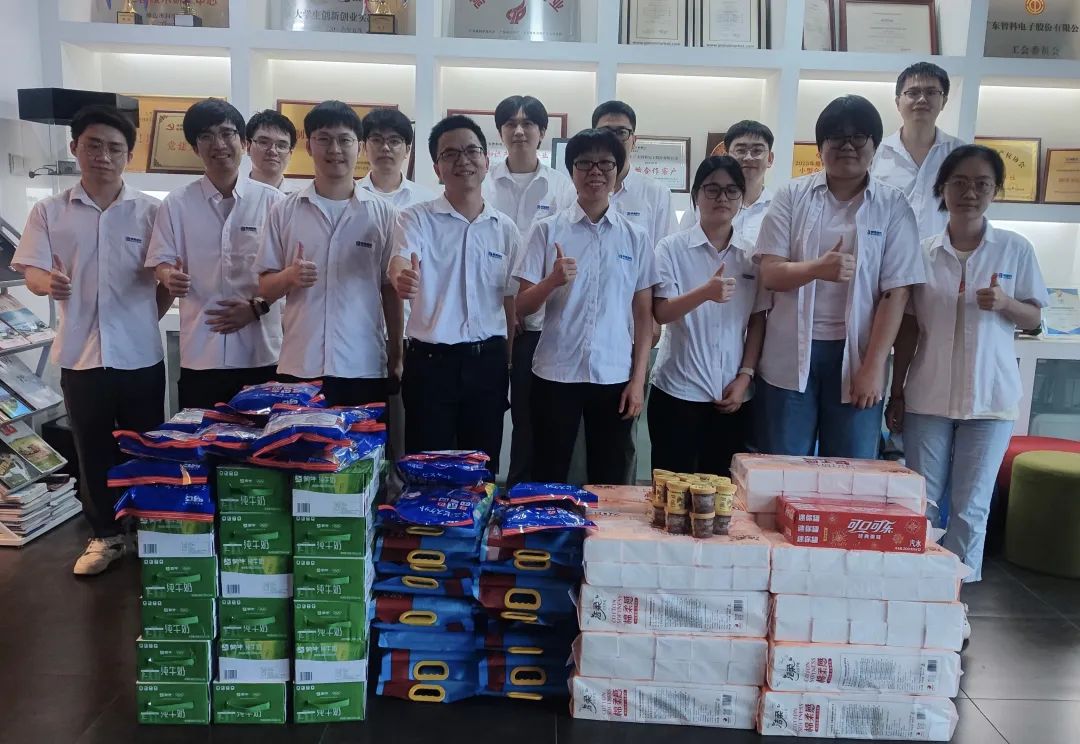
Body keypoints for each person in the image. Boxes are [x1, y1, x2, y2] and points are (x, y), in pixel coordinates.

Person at [14, 105, 170, 575]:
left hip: (140, 356)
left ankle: (148, 530)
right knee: (93, 449)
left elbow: (163, 279)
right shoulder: (50, 211)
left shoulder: (151, 211)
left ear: (128, 155)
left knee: (145, 446)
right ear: (74, 148)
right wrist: (48, 284)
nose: (104, 155)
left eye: (115, 148)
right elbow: (32, 271)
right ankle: (105, 536)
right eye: (94, 145)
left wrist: (145, 319)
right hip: (81, 356)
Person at [887, 145, 1047, 582]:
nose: (970, 193)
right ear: (942, 188)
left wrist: (1007, 303)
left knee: (972, 505)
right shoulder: (923, 252)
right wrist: (896, 391)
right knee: (921, 500)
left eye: (981, 184)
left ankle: (956, 592)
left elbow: (1034, 318)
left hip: (991, 397)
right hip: (928, 395)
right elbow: (908, 328)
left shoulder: (1015, 249)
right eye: (959, 182)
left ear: (995, 190)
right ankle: (916, 584)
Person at [754, 95, 925, 458]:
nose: (848, 146)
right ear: (820, 148)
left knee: (851, 471)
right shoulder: (791, 196)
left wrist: (873, 367)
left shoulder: (893, 205)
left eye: (858, 137)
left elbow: (896, 292)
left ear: (874, 146)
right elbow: (770, 273)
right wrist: (818, 269)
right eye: (836, 137)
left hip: (858, 353)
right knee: (782, 467)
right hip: (789, 355)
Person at [514, 128, 657, 484]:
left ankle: (601, 526)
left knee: (610, 476)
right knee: (548, 472)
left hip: (614, 374)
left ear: (618, 171)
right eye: (585, 163)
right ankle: (548, 522)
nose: (596, 171)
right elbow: (521, 307)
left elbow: (644, 317)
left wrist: (638, 380)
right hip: (555, 371)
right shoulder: (546, 230)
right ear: (572, 171)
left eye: (605, 163)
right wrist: (551, 281)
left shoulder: (636, 237)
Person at [388, 115, 519, 474]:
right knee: (427, 470)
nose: (463, 160)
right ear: (437, 168)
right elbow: (400, 260)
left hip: (488, 363)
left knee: (482, 468)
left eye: (472, 151)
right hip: (431, 365)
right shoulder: (415, 218)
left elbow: (509, 300)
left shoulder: (505, 229)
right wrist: (402, 278)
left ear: (486, 161)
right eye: (450, 154)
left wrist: (507, 362)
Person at [255, 101, 400, 408]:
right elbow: (265, 288)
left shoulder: (383, 213)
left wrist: (396, 355)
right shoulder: (284, 210)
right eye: (324, 139)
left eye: (344, 140)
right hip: (300, 365)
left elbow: (390, 290)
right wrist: (289, 277)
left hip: (362, 365)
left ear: (359, 146)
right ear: (309, 146)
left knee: (365, 442)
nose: (335, 149)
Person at [147, 99, 285, 410]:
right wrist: (169, 276)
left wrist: (257, 307)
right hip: (201, 354)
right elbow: (161, 261)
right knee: (202, 438)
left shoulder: (274, 203)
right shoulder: (177, 204)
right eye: (206, 136)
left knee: (263, 440)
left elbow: (289, 275)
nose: (219, 144)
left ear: (244, 142)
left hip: (261, 354)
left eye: (227, 133)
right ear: (195, 147)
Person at [650, 156, 768, 476]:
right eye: (712, 189)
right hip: (677, 390)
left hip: (732, 393)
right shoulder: (670, 248)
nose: (722, 198)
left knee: (721, 492)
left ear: (741, 197)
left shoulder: (751, 257)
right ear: (696, 195)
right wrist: (704, 293)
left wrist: (745, 377)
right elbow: (661, 311)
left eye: (731, 190)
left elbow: (758, 320)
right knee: (671, 489)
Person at [482, 94, 576, 486]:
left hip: (537, 322)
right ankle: (487, 492)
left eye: (528, 123)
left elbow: (566, 249)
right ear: (500, 132)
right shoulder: (484, 182)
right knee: (487, 412)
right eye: (510, 124)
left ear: (542, 132)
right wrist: (505, 311)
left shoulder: (561, 187)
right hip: (487, 318)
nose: (519, 131)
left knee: (530, 417)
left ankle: (524, 494)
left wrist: (525, 307)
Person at [871, 62, 964, 240]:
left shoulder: (961, 155)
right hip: (886, 253)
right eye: (913, 93)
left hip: (942, 254)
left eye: (931, 92)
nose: (922, 99)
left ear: (944, 101)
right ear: (898, 102)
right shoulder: (875, 153)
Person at [592, 100, 677, 250]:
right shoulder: (575, 192)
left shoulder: (657, 193)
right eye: (605, 132)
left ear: (634, 141)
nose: (613, 140)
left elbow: (668, 253)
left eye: (622, 132)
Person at [679, 120, 776, 247]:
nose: (748, 157)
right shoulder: (701, 207)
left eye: (757, 150)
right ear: (726, 156)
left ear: (769, 159)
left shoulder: (778, 208)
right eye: (741, 150)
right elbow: (681, 249)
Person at [358, 108, 436, 207]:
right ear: (364, 147)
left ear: (407, 150)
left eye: (394, 141)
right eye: (377, 140)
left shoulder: (427, 200)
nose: (385, 147)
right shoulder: (350, 195)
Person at [246, 109, 296, 191]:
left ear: (290, 153)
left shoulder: (299, 197)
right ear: (248, 147)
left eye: (281, 146)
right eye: (264, 142)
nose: (273, 151)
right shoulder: (234, 194)